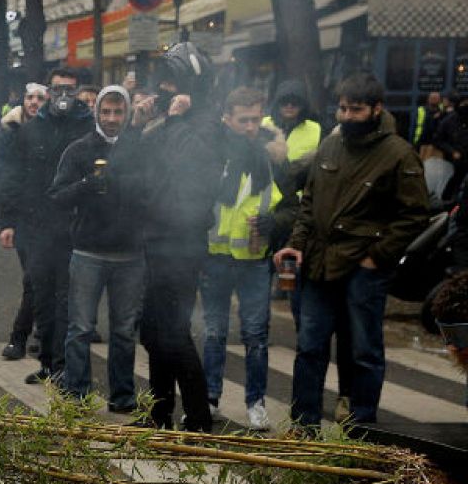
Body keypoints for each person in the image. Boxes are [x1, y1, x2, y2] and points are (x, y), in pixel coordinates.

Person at [274, 72, 432, 429]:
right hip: (318, 264)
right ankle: (304, 425)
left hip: (364, 268)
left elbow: (414, 214)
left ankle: (361, 429)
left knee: (363, 350)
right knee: (310, 347)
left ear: (377, 109)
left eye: (355, 110)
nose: (346, 117)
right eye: (343, 109)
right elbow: (310, 201)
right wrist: (296, 245)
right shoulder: (331, 146)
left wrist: (377, 256)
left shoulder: (398, 155)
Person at [130, 43, 225, 433]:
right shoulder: (171, 123)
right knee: (153, 330)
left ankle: (199, 417)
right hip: (155, 239)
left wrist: (176, 120)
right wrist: (141, 124)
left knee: (172, 331)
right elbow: (138, 169)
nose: (165, 88)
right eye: (162, 81)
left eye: (173, 81)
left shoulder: (205, 125)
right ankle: (159, 411)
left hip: (182, 244)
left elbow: (183, 169)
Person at [48, 85, 144, 413]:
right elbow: (57, 196)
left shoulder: (139, 148)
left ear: (127, 113)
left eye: (118, 112)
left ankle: (122, 396)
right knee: (81, 328)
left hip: (131, 254)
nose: (112, 118)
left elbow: (154, 192)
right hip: (88, 252)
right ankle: (77, 393)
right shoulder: (79, 149)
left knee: (123, 331)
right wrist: (87, 186)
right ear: (96, 113)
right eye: (107, 112)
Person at [0, 68, 93, 383]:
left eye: (70, 89)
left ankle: (65, 366)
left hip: (75, 227)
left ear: (77, 91)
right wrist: (9, 220)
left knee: (68, 299)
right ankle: (49, 363)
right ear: (50, 91)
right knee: (42, 296)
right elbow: (14, 177)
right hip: (37, 226)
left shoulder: (87, 128)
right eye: (58, 89)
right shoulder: (31, 130)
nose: (63, 96)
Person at [200, 87, 287, 431]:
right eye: (243, 120)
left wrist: (275, 223)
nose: (251, 127)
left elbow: (294, 204)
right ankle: (209, 398)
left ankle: (256, 403)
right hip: (216, 256)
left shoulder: (271, 157)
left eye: (255, 119)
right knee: (213, 332)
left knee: (255, 335)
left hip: (254, 257)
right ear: (227, 119)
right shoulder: (213, 153)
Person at [0, 82, 48, 361]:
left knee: (38, 279)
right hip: (24, 219)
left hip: (49, 219)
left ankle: (31, 335)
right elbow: (8, 180)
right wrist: (7, 221)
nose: (34, 102)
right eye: (30, 97)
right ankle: (24, 335)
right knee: (34, 278)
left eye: (40, 97)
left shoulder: (53, 129)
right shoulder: (10, 132)